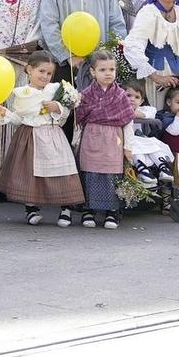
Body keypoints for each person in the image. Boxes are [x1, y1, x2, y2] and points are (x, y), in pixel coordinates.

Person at [0, 51, 84, 226]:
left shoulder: (56, 89)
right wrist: (6, 114)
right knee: (29, 173)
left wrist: (57, 106)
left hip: (52, 135)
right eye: (41, 71)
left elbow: (65, 114)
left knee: (60, 171)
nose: (45, 76)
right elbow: (20, 118)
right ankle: (31, 208)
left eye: (49, 73)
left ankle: (66, 208)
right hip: (30, 136)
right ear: (29, 70)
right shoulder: (22, 93)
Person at [72, 50, 130, 229]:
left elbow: (128, 122)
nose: (108, 73)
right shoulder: (86, 95)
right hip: (91, 138)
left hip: (113, 139)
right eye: (103, 69)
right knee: (91, 173)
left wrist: (129, 146)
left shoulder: (120, 95)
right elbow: (79, 120)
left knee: (111, 174)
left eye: (111, 69)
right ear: (92, 72)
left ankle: (112, 211)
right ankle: (88, 209)